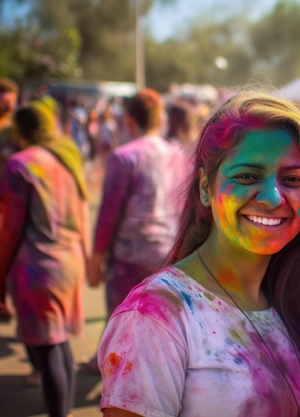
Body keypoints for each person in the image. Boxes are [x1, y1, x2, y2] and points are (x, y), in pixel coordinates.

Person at [97, 91, 300, 417]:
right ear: (206, 187)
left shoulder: (299, 301)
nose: (274, 198)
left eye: (292, 179)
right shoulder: (154, 317)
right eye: (247, 176)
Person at [81, 88, 188, 374]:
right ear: (160, 118)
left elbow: (107, 216)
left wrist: (95, 259)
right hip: (168, 252)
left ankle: (123, 379)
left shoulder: (124, 156)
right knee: (158, 320)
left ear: (128, 120)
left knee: (122, 319)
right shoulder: (178, 155)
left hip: (130, 255)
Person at [0, 102, 89, 417]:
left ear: (20, 131)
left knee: (48, 347)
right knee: (59, 344)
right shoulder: (66, 158)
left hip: (38, 267)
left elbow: (9, 230)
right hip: (69, 261)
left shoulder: (19, 164)